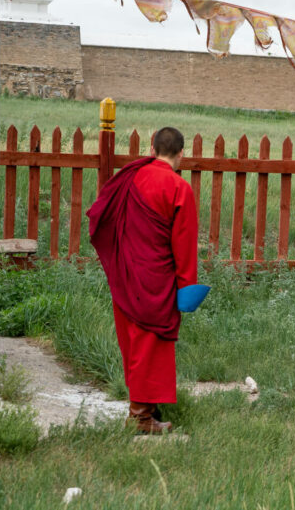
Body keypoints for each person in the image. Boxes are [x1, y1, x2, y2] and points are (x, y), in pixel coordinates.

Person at [87, 127, 206, 434]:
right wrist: (186, 288)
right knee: (150, 345)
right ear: (181, 154)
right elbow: (184, 244)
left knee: (134, 344)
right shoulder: (179, 188)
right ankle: (141, 417)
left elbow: (104, 214)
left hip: (127, 274)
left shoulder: (131, 177)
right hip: (156, 279)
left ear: (153, 150)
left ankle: (143, 410)